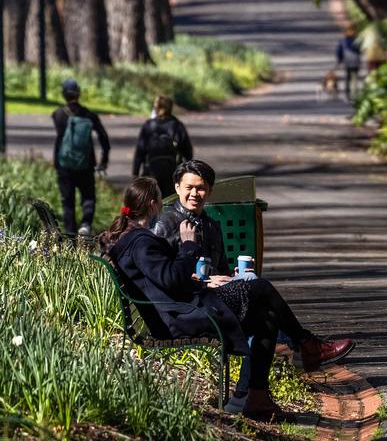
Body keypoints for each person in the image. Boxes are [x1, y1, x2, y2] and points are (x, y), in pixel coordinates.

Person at [100, 177, 355, 421]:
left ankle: (256, 398)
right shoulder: (141, 242)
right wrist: (188, 245)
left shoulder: (130, 238)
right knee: (260, 288)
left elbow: (166, 282)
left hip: (181, 309)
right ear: (154, 205)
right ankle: (308, 346)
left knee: (266, 318)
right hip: (180, 317)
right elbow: (171, 280)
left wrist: (207, 281)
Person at [152, 160, 288, 414]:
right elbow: (165, 280)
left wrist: (231, 276)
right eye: (189, 187)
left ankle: (247, 396)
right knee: (264, 300)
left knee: (266, 314)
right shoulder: (165, 225)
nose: (195, 194)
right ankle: (302, 346)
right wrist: (203, 280)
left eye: (201, 188)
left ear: (210, 190)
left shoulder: (212, 225)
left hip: (214, 301)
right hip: (185, 309)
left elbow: (220, 269)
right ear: (177, 187)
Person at [52, 78, 110, 236]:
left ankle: (70, 236)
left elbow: (59, 140)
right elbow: (104, 138)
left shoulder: (58, 115)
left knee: (67, 202)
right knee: (89, 198)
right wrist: (103, 161)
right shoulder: (89, 115)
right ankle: (85, 224)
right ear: (78, 94)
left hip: (64, 165)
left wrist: (56, 163)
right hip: (86, 164)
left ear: (64, 95)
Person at [132, 95, 193, 198]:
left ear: (157, 107)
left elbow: (140, 150)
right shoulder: (177, 125)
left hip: (151, 170)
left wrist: (135, 172)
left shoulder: (148, 125)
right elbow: (187, 151)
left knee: (151, 199)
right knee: (170, 200)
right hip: (172, 171)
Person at [336, 26, 362, 101]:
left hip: (347, 61)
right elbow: (360, 50)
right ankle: (354, 93)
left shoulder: (343, 40)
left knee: (348, 77)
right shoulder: (357, 40)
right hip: (356, 60)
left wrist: (339, 59)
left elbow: (339, 51)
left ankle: (347, 93)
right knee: (354, 77)